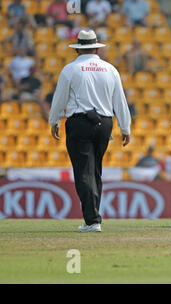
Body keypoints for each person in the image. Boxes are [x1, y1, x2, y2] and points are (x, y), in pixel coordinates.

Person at [48, 29, 131, 232]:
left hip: (80, 122)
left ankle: (92, 220)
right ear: (96, 48)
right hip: (104, 124)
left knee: (84, 172)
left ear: (77, 50)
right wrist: (125, 126)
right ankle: (93, 217)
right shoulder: (110, 69)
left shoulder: (70, 69)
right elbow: (119, 100)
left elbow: (59, 98)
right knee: (95, 172)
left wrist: (54, 120)